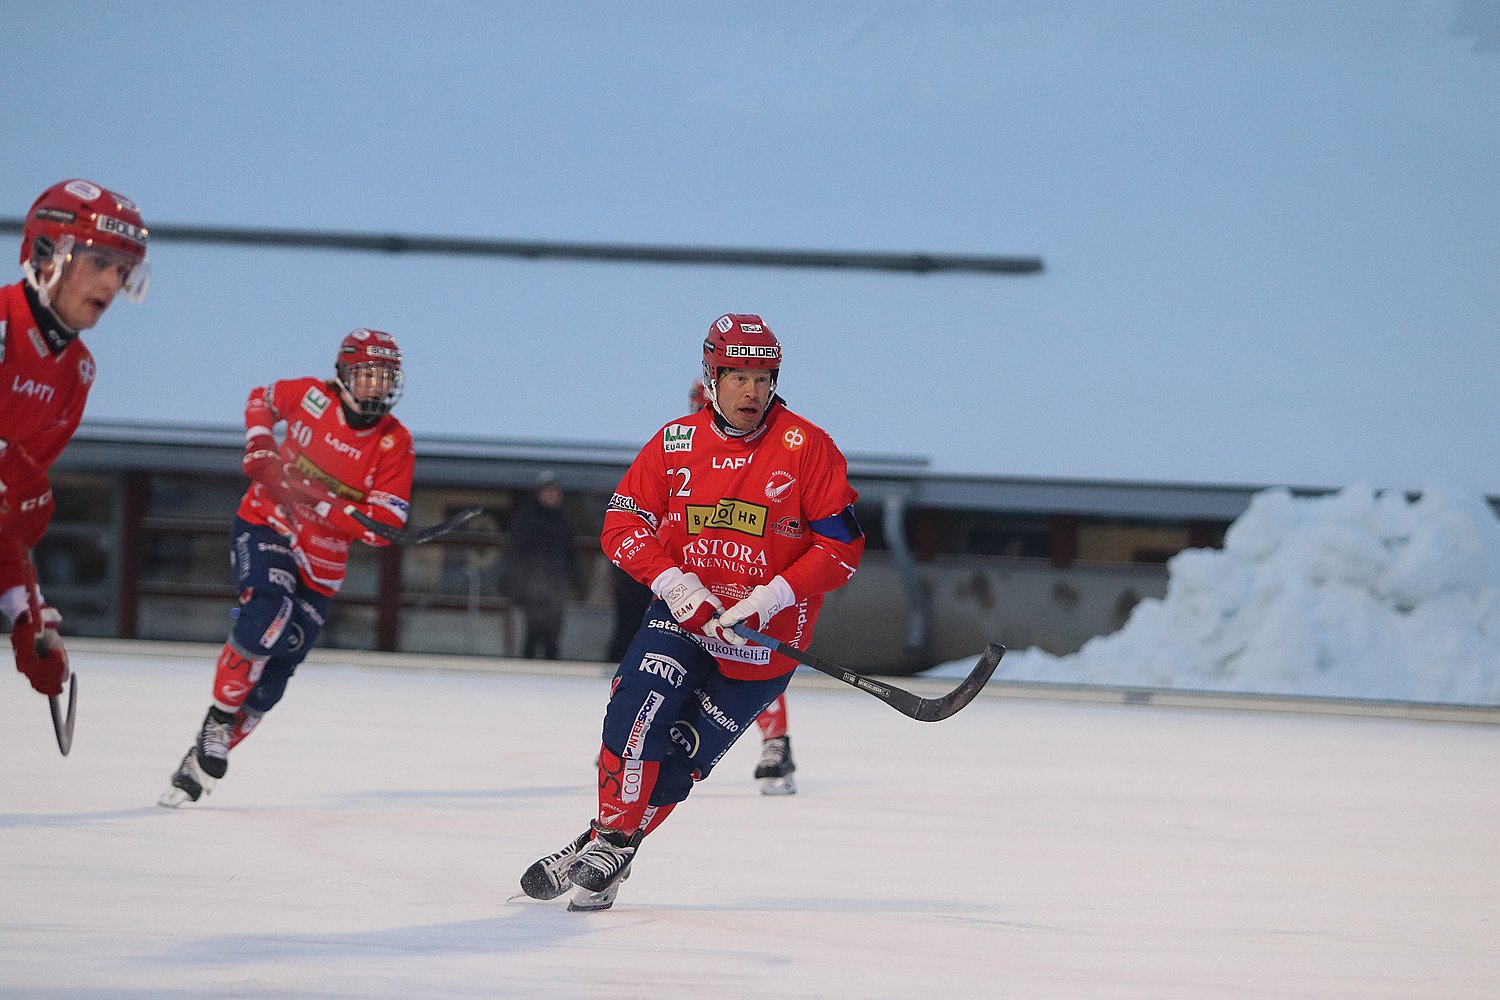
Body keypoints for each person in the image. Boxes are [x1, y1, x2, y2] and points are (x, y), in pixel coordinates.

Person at [520, 313, 865, 911]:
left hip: (761, 644)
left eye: (764, 377)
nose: (752, 391)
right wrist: (676, 585)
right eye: (737, 376)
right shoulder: (675, 443)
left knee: (677, 760)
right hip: (683, 620)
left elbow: (842, 550)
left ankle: (605, 846)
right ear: (710, 376)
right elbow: (621, 525)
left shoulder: (808, 447)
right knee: (634, 710)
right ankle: (611, 839)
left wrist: (772, 596)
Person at [159, 328, 414, 806]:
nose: (377, 387)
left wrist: (324, 505)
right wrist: (259, 443)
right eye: (367, 375)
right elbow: (261, 399)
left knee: (273, 682)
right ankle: (217, 719)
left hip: (323, 565)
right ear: (343, 375)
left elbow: (383, 527)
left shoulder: (395, 443)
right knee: (267, 617)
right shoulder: (312, 397)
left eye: (385, 377)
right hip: (268, 523)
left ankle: (198, 761)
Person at [1, 179, 148, 706]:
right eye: (100, 262)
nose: (112, 283)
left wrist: (29, 618)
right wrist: (11, 465)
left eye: (124, 270)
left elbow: (4, 526)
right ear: (46, 254)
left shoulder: (76, 375)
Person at [691, 377, 798, 794]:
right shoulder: (687, 448)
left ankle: (776, 742)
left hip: (746, 579)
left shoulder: (772, 451)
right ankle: (641, 733)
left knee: (753, 661)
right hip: (695, 580)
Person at [505, 471, 582, 659]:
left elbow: (569, 552)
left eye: (555, 492)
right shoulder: (527, 519)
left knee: (553, 634)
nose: (553, 496)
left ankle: (552, 670)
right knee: (533, 632)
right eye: (548, 492)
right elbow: (517, 553)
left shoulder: (562, 519)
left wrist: (575, 581)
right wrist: (520, 583)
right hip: (533, 586)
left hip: (556, 585)